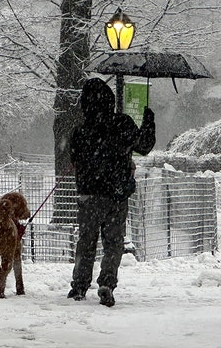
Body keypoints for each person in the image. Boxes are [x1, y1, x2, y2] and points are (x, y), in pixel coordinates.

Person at [67, 77, 156, 307]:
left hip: (89, 195)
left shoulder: (80, 131)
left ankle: (79, 285)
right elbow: (144, 146)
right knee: (113, 243)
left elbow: (74, 160)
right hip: (116, 195)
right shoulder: (123, 123)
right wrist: (148, 121)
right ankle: (107, 282)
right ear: (109, 100)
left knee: (86, 241)